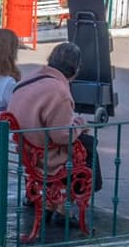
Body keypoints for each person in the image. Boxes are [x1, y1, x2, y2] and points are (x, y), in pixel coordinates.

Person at [6, 40, 84, 181]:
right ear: (76, 70)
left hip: (19, 147)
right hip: (39, 155)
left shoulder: (32, 77)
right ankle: (78, 191)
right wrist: (80, 124)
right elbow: (62, 136)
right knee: (87, 145)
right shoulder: (59, 92)